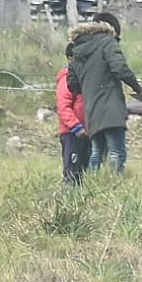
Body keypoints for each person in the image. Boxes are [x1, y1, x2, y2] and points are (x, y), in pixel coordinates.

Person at [66, 11, 142, 174]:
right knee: (117, 153)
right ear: (112, 29)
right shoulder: (108, 41)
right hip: (111, 106)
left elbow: (72, 84)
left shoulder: (77, 49)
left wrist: (90, 85)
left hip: (92, 109)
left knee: (97, 152)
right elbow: (120, 68)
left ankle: (93, 187)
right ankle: (114, 187)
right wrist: (138, 89)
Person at [55, 43, 89, 185]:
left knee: (84, 173)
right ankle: (68, 201)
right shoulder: (67, 79)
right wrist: (77, 127)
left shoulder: (85, 78)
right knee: (71, 172)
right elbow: (63, 106)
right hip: (72, 134)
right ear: (70, 59)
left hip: (87, 133)